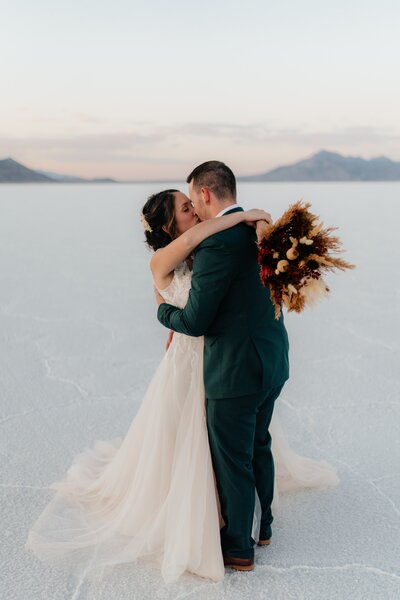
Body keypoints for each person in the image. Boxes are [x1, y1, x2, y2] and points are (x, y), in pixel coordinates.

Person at [25, 182, 338, 585]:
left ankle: (244, 528)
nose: (194, 211)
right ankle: (225, 526)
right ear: (171, 225)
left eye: (193, 203)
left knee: (232, 447)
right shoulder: (165, 257)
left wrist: (246, 222)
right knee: (209, 444)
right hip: (199, 360)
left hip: (219, 359)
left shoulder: (205, 251)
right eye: (186, 208)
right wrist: (242, 216)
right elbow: (193, 245)